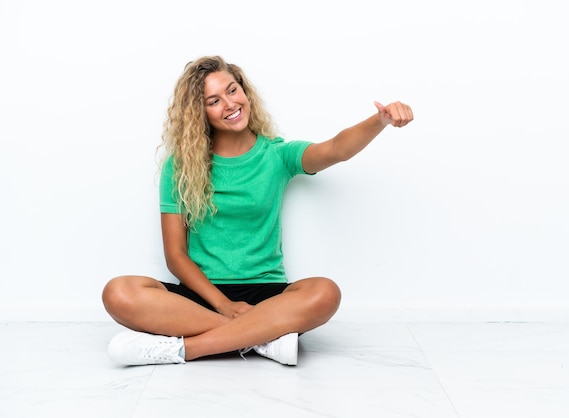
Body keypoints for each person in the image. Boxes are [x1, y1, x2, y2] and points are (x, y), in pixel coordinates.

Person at [102, 55, 413, 366]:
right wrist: (223, 305)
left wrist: (380, 121)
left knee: (325, 292)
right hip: (201, 299)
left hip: (268, 298)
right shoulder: (181, 167)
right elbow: (176, 255)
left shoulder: (277, 155)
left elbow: (335, 149)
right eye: (213, 100)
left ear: (245, 92)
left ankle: (186, 349)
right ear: (199, 113)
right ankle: (265, 341)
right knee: (118, 292)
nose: (229, 103)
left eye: (232, 90)